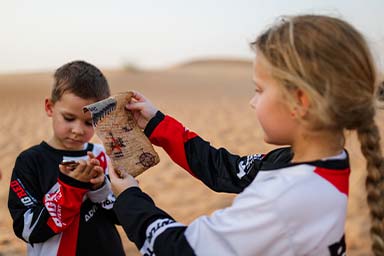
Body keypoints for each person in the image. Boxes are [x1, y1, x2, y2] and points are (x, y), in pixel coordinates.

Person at [109, 14, 384, 256]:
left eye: (260, 90)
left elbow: (181, 249)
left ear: (300, 101)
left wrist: (129, 197)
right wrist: (158, 124)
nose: (253, 102)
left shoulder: (283, 200)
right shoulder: (318, 161)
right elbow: (224, 170)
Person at [8, 61, 125, 256]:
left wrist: (100, 188)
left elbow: (124, 214)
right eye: (69, 118)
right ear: (49, 107)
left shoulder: (103, 156)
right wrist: (71, 189)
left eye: (89, 122)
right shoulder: (30, 162)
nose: (78, 130)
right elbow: (27, 229)